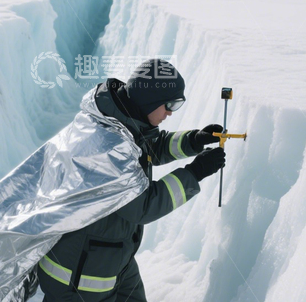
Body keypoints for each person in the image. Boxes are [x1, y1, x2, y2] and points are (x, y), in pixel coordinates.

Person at [37, 58, 226, 301]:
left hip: (114, 256)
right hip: (80, 274)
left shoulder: (124, 121)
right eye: (170, 104)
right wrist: (195, 172)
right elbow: (143, 206)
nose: (170, 112)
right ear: (151, 100)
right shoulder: (107, 144)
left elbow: (149, 148)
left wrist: (194, 140)